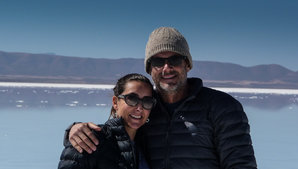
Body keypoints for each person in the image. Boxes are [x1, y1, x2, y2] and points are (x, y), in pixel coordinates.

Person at [65, 27, 257, 169]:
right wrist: (74, 130)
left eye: (174, 60)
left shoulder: (221, 107)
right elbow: (116, 139)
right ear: (150, 69)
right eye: (158, 61)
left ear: (187, 64)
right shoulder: (146, 106)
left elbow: (240, 164)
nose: (167, 68)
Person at [58, 73, 156, 169]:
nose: (139, 108)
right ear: (115, 102)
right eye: (132, 99)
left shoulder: (147, 144)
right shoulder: (89, 138)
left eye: (147, 101)